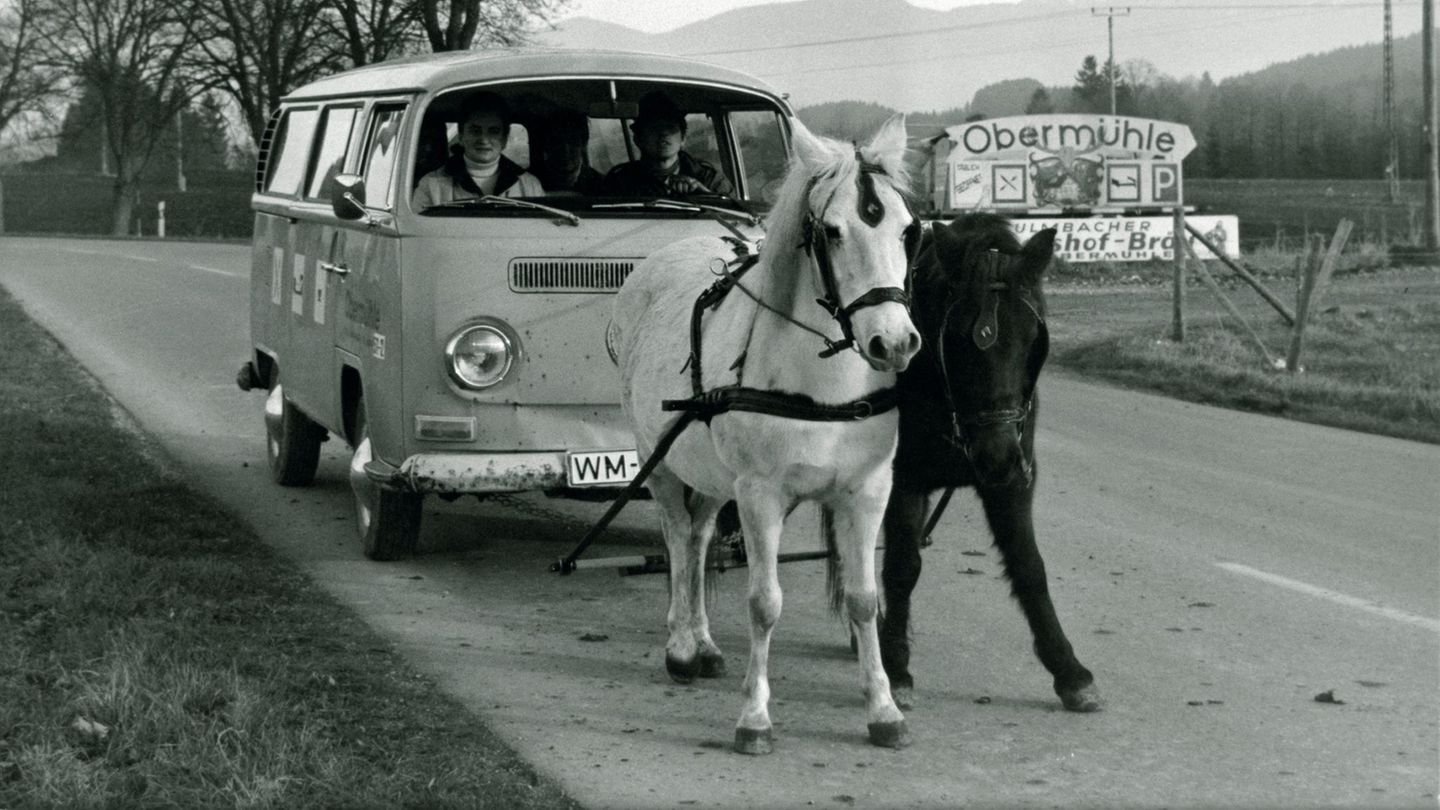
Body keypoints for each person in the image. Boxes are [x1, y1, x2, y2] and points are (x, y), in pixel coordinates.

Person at [412, 92, 543, 210]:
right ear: (461, 136)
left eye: (493, 131)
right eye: (475, 131)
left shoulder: (530, 185)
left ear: (504, 139)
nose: (484, 140)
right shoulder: (430, 185)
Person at [601, 91, 734, 197]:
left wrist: (705, 194)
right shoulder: (620, 181)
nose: (664, 134)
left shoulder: (708, 177)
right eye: (655, 128)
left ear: (683, 139)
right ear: (638, 139)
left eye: (670, 128)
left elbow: (735, 215)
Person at [532, 109, 604, 196]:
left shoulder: (600, 184)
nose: (566, 150)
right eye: (558, 142)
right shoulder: (529, 183)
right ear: (546, 145)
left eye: (572, 141)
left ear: (583, 144)